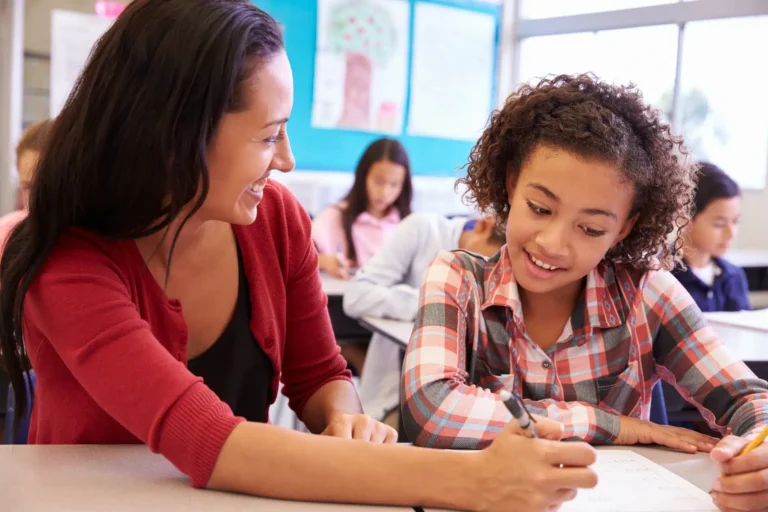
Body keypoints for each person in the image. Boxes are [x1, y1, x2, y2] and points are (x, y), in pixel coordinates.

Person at [0, 2, 598, 510]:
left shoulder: (275, 218)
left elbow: (319, 376)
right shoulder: (66, 261)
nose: (285, 159)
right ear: (175, 136)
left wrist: (344, 417)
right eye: (268, 135)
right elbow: (211, 441)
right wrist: (473, 480)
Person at [401, 74, 768, 512]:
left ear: (624, 228)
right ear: (511, 183)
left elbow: (749, 400)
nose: (553, 243)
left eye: (591, 228)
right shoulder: (458, 278)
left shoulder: (646, 294)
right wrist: (616, 425)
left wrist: (759, 458)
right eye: (540, 208)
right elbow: (431, 411)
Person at [343, 213, 505, 423]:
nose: (482, 275)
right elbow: (357, 295)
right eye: (483, 263)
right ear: (484, 226)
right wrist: (437, 301)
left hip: (463, 398)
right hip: (396, 397)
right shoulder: (423, 230)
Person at [312, 138, 412, 280]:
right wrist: (322, 260)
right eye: (379, 181)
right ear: (363, 176)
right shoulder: (336, 215)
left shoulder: (408, 223)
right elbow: (297, 255)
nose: (385, 192)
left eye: (394, 184)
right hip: (342, 298)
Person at [673, 162, 750, 312]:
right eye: (719, 224)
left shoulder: (734, 277)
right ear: (684, 218)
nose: (731, 233)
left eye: (735, 221)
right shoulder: (661, 276)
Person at [0, 120, 53, 248]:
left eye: (45, 186)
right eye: (28, 187)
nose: (36, 198)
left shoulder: (84, 241)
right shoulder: (5, 235)